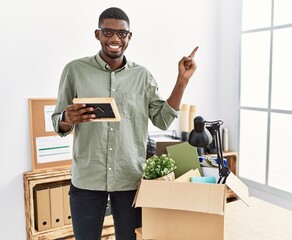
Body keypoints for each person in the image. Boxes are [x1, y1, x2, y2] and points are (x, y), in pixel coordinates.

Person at [52, 7, 198, 240]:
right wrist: (67, 119)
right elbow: (57, 123)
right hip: (87, 177)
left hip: (129, 177)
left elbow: (162, 120)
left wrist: (181, 81)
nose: (114, 39)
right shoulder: (74, 70)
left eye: (122, 34)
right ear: (97, 34)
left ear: (129, 37)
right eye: (108, 32)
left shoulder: (143, 76)